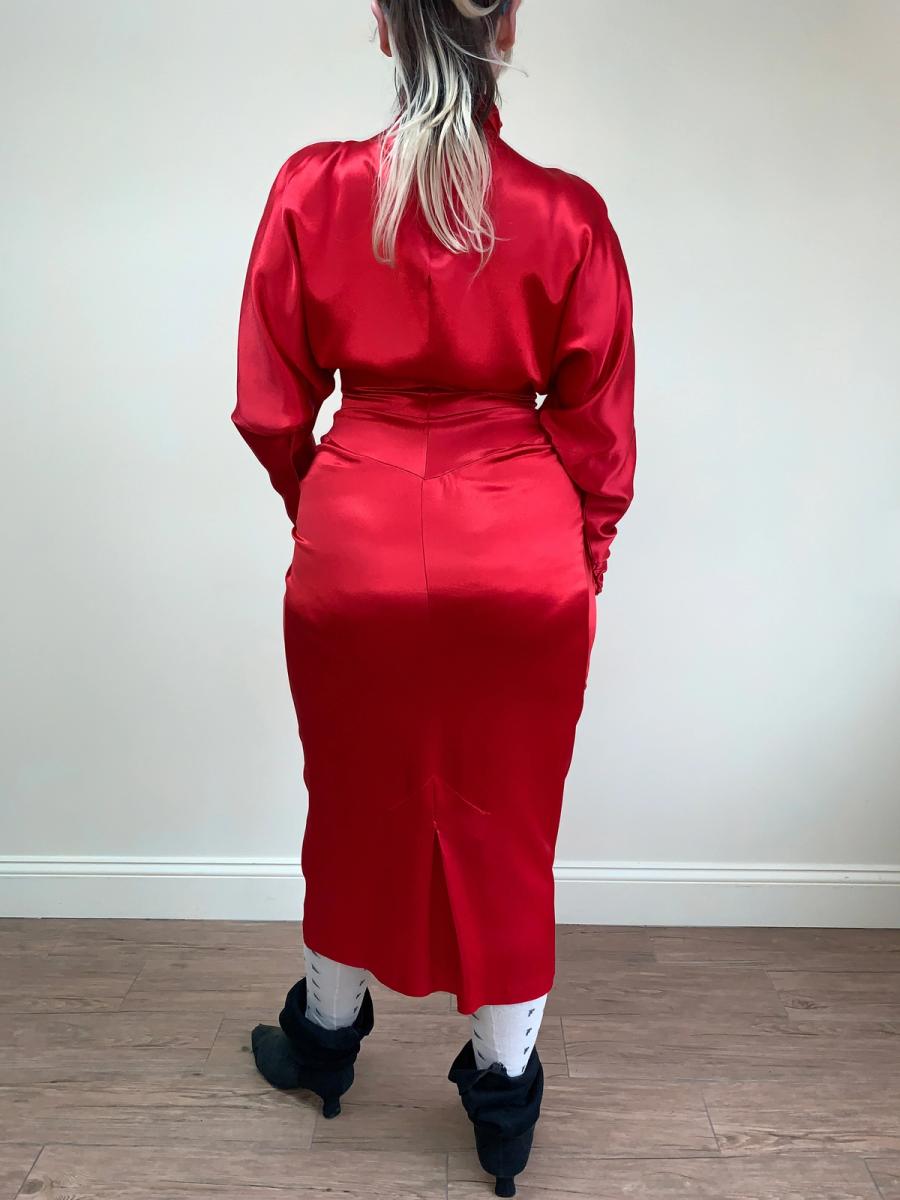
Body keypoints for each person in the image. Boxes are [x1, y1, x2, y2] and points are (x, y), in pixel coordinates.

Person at [232, 0, 636, 1194]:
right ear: (506, 27)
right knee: (509, 822)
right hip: (520, 555)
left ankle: (324, 1039)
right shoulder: (567, 215)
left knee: (351, 799)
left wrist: (328, 507)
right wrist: (580, 555)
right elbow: (600, 429)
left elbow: (269, 405)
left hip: (353, 544)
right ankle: (504, 1100)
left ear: (381, 26)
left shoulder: (313, 191)